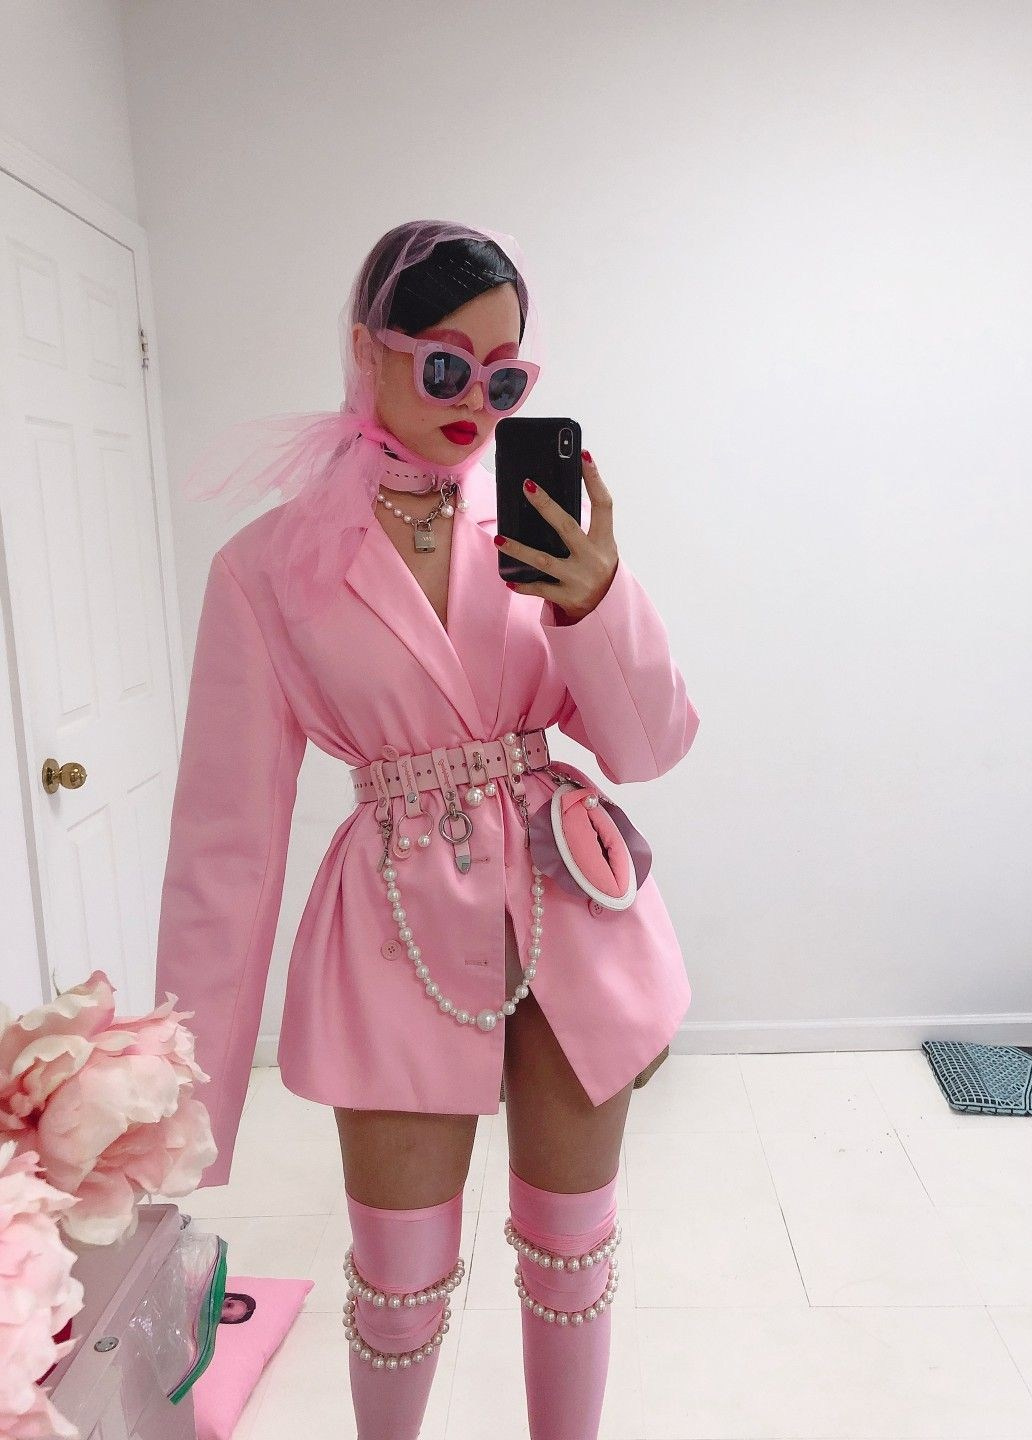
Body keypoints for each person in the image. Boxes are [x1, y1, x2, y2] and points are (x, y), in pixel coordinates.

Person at [155, 219, 700, 1440]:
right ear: (367, 350)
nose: (474, 406)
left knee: (573, 1253)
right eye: (445, 367)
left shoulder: (542, 522)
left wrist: (596, 601)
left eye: (505, 381)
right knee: (398, 1283)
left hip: (568, 896)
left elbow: (652, 746)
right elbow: (226, 848)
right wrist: (177, 1099)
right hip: (393, 920)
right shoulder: (266, 569)